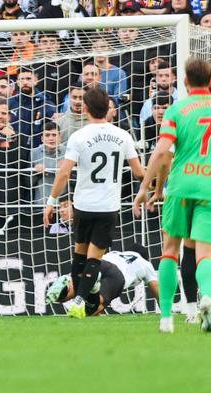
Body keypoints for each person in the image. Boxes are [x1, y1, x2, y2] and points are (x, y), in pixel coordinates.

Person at [132, 58, 211, 334]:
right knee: (206, 252)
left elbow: (161, 154)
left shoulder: (176, 110)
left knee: (170, 251)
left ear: (184, 82)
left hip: (181, 187)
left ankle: (167, 318)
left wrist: (146, 188)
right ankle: (207, 296)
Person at [42, 86, 144, 318]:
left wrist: (51, 201)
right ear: (108, 108)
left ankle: (80, 301)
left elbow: (64, 173)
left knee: (79, 256)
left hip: (83, 206)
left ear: (85, 108)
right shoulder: (122, 135)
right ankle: (81, 301)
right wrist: (157, 182)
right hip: (107, 208)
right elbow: (138, 173)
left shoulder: (79, 136)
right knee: (93, 259)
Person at [45, 250, 160, 317]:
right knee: (93, 309)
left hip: (102, 263)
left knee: (74, 288)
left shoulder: (117, 253)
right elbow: (157, 290)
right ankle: (94, 290)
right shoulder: (145, 263)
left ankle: (68, 282)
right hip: (118, 275)